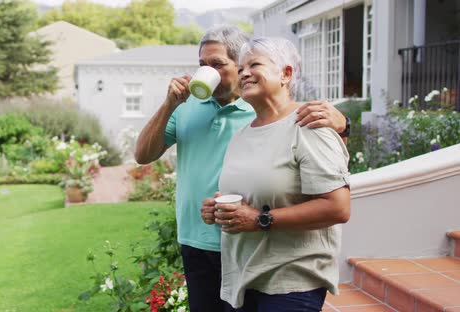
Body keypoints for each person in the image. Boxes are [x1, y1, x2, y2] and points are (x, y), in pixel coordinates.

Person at [135, 25, 349, 312]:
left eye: (218, 64)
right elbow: (143, 154)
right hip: (203, 241)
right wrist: (169, 105)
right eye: (202, 65)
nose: (207, 71)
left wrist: (345, 126)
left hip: (262, 253)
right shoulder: (203, 114)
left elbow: (333, 182)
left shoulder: (272, 113)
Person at [201, 36, 351, 311]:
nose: (244, 72)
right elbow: (249, 197)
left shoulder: (309, 124)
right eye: (242, 67)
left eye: (254, 64)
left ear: (286, 73)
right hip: (243, 280)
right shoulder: (242, 135)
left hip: (290, 282)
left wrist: (261, 220)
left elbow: (337, 207)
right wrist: (217, 209)